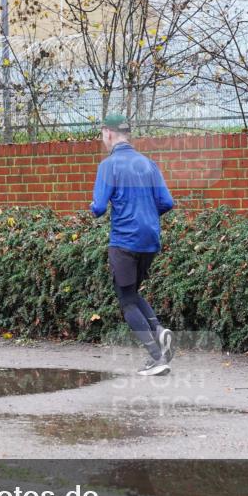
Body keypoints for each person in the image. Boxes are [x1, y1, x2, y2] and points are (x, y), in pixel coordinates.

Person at [90, 113, 175, 376]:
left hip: (124, 239)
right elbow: (167, 202)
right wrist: (146, 216)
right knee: (132, 292)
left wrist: (93, 207)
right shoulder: (149, 164)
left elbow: (99, 207)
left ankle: (157, 357)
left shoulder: (109, 165)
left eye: (102, 135)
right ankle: (159, 331)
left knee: (126, 301)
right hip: (150, 240)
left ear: (109, 133)